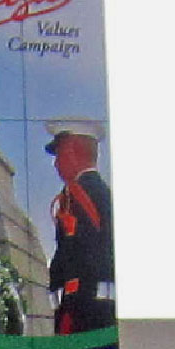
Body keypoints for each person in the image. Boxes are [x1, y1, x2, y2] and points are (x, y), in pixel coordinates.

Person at [45, 119, 116, 334]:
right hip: (89, 309)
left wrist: (70, 309)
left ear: (72, 151)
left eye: (58, 155)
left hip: (85, 313)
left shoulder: (82, 194)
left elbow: (83, 258)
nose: (56, 164)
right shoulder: (93, 193)